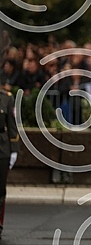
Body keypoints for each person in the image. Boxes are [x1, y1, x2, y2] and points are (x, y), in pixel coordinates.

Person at [0, 88, 19, 238]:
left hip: (2, 149)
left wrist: (14, 149)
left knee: (0, 191)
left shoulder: (7, 98)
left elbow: (12, 125)